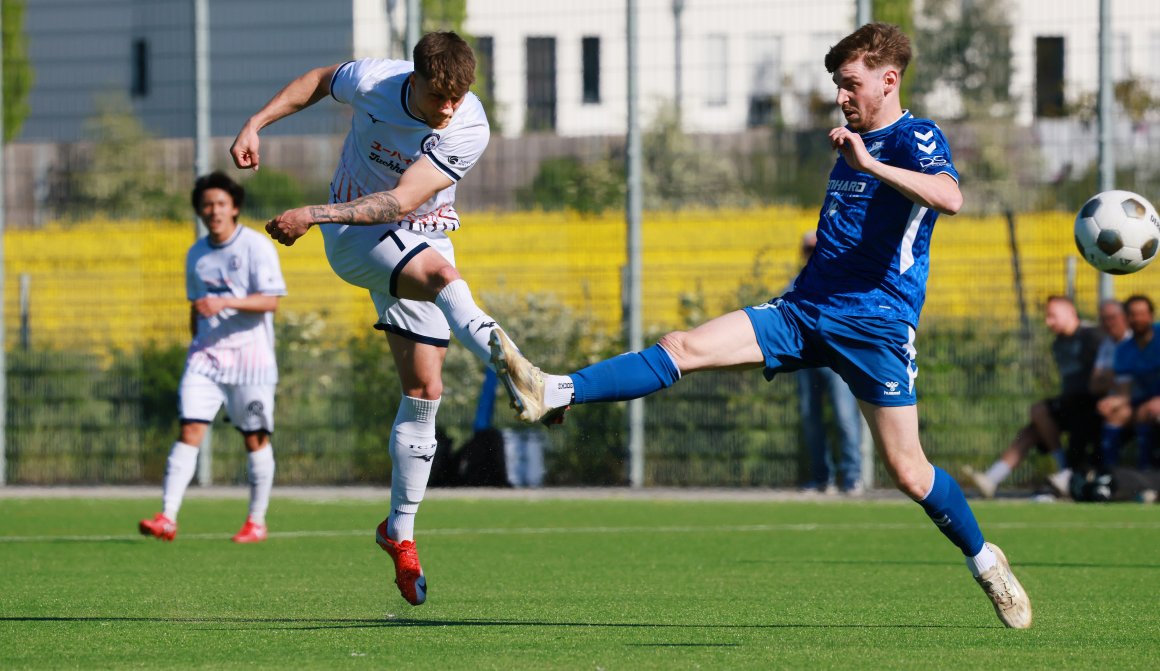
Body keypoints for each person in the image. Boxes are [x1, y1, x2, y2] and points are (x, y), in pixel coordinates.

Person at [491, 23, 1032, 628]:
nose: (842, 97)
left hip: (877, 326)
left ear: (889, 79)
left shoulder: (915, 136)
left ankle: (985, 560)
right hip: (803, 312)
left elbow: (950, 198)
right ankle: (553, 389)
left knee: (909, 472)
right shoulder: (850, 140)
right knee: (683, 346)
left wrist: (869, 162)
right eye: (837, 86)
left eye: (851, 84)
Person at [229, 31, 525, 607]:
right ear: (412, 80)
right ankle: (515, 366)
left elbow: (405, 200)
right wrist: (256, 122)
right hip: (351, 235)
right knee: (442, 280)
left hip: (419, 235)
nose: (448, 109)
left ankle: (400, 534)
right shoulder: (375, 80)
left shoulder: (469, 124)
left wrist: (309, 211)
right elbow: (319, 80)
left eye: (457, 97)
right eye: (439, 97)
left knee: (424, 390)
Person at [139, 172, 287, 544]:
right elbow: (196, 306)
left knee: (254, 439)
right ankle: (167, 517)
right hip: (205, 359)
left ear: (234, 208)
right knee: (189, 430)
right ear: (200, 211)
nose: (214, 210)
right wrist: (196, 341)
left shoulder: (255, 247)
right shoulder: (197, 253)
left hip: (251, 360)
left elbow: (270, 301)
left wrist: (226, 302)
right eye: (207, 205)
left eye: (221, 203)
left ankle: (257, 521)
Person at [962, 296, 1102, 499]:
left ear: (1070, 311)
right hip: (1070, 403)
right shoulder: (1058, 344)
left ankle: (1064, 470)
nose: (1048, 322)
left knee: (1040, 411)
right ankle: (992, 478)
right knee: (1033, 429)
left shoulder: (1092, 336)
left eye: (1052, 316)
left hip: (1090, 405)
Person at [792, 231, 863, 495]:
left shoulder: (839, 278)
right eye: (808, 249)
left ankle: (852, 477)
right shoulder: (797, 282)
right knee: (811, 419)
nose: (812, 254)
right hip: (806, 361)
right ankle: (822, 478)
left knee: (845, 417)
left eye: (815, 248)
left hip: (836, 361)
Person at [1097, 295, 1160, 470]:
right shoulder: (1123, 350)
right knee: (1115, 413)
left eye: (1142, 314)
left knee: (1150, 410)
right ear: (1126, 318)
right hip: (1142, 403)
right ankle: (1110, 474)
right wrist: (1113, 401)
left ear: (1151, 316)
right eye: (1132, 314)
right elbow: (1125, 391)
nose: (1137, 319)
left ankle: (1149, 470)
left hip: (1155, 404)